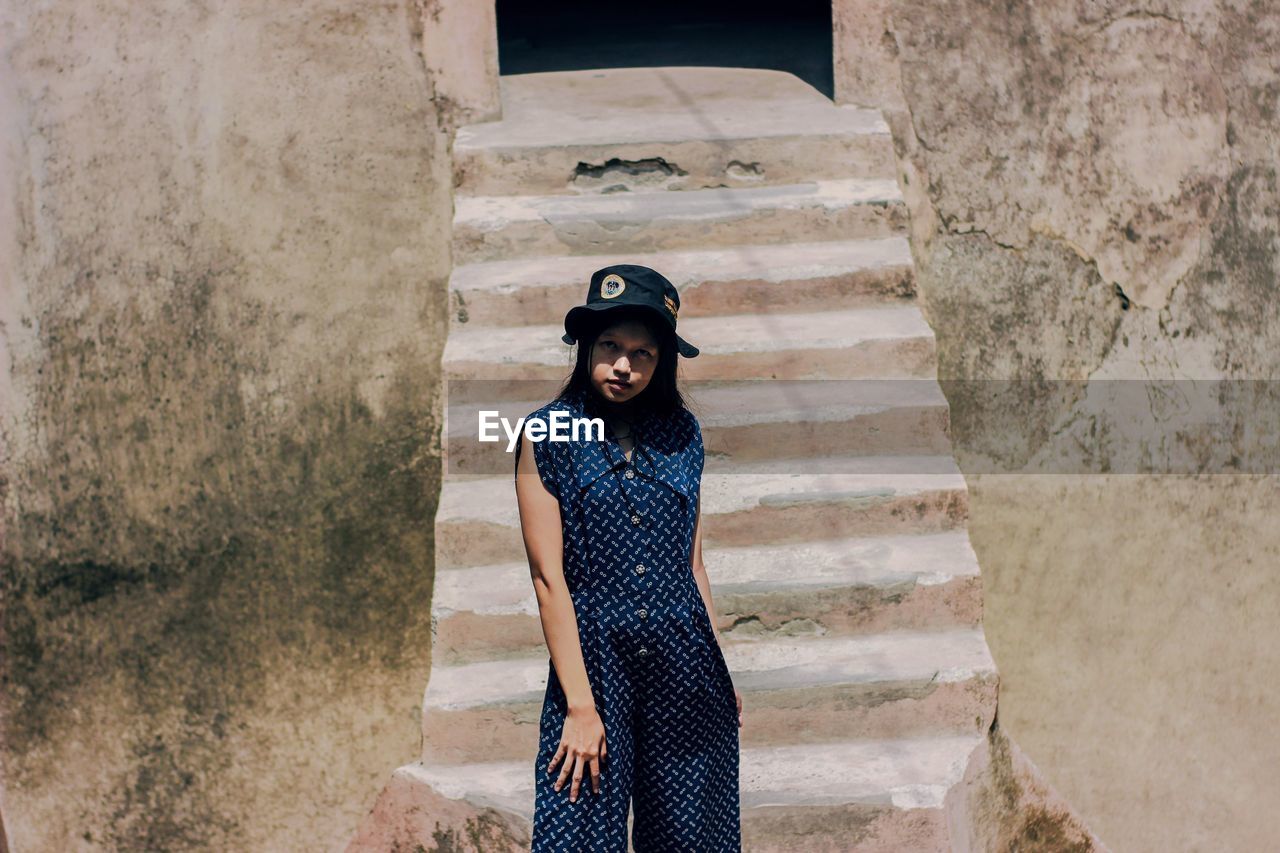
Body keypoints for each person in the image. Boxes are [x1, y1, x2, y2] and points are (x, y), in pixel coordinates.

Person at [512, 264, 742, 852]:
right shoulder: (546, 433)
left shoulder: (683, 433)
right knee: (576, 833)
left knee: (693, 838)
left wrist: (719, 663)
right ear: (587, 346)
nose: (623, 365)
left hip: (685, 661)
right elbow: (547, 579)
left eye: (642, 353)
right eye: (611, 346)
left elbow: (691, 563)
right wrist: (581, 706)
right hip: (595, 660)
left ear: (661, 361)